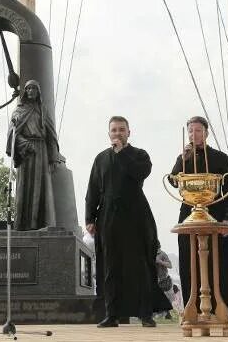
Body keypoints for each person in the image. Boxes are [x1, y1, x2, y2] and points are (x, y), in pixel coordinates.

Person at [85, 116, 171, 328]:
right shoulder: (101, 159)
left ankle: (145, 314)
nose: (117, 133)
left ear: (129, 132)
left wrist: (122, 152)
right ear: (109, 134)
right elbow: (93, 189)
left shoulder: (139, 155)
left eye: (121, 130)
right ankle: (112, 314)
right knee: (110, 266)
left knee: (140, 265)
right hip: (108, 217)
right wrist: (89, 218)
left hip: (136, 216)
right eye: (114, 130)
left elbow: (140, 173)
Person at [170, 116, 228, 318]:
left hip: (217, 211)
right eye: (191, 131)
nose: (194, 135)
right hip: (189, 212)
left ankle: (226, 307)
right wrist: (183, 159)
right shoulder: (183, 158)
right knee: (190, 259)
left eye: (198, 130)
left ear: (206, 132)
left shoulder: (219, 157)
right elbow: (173, 180)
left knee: (224, 261)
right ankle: (192, 308)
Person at [7, 80, 63, 231]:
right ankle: (23, 225)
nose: (31, 91)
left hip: (41, 150)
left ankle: (40, 223)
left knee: (41, 186)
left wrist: (54, 157)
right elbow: (12, 133)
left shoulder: (43, 110)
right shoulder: (19, 110)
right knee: (24, 186)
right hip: (26, 151)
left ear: (38, 92)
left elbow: (51, 134)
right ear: (25, 92)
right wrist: (24, 144)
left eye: (33, 88)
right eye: (28, 88)